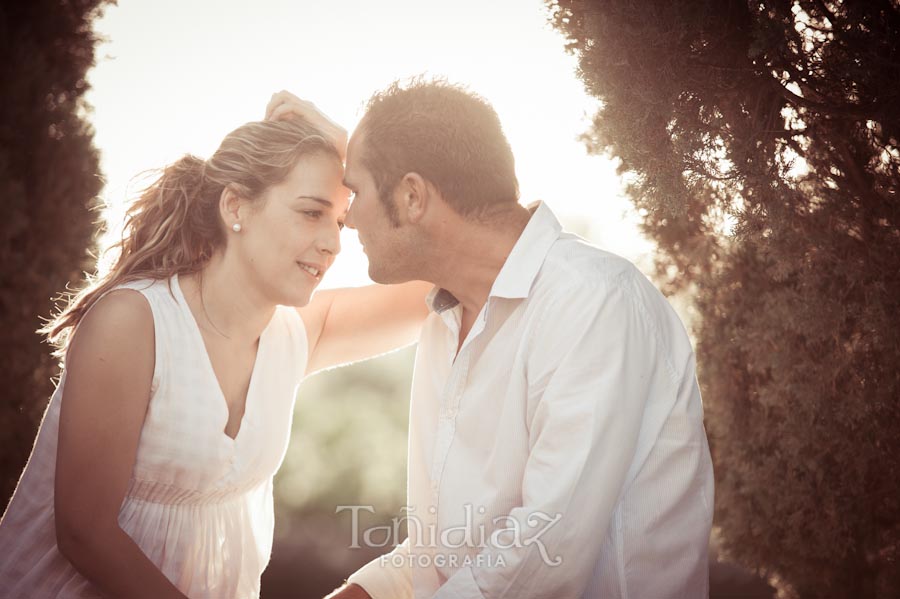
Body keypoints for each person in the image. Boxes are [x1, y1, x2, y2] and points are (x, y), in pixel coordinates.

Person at [269, 79, 715, 599]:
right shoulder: (446, 315)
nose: (348, 218)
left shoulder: (593, 302)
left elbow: (542, 555)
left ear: (412, 196)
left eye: (357, 191)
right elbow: (441, 557)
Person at [0, 103, 430, 598]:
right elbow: (84, 532)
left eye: (341, 221)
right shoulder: (135, 321)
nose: (333, 242)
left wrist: (350, 146)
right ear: (235, 208)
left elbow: (458, 263)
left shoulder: (296, 333)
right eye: (312, 212)